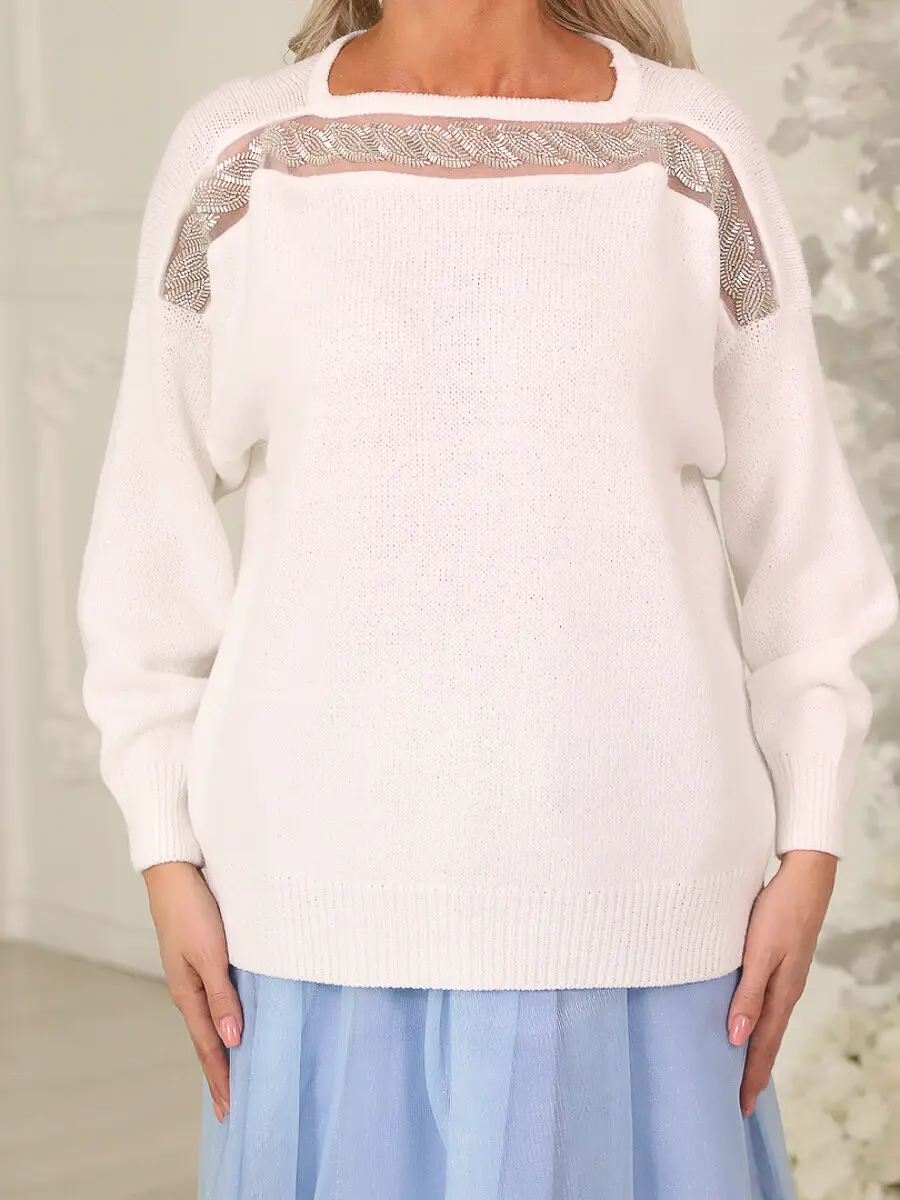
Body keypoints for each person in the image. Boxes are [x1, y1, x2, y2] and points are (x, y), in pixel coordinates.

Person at [76, 1, 899, 1196]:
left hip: (647, 901)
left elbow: (804, 548)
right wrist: (164, 854)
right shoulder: (243, 158)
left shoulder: (690, 152)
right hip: (318, 905)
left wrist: (810, 845)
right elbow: (144, 547)